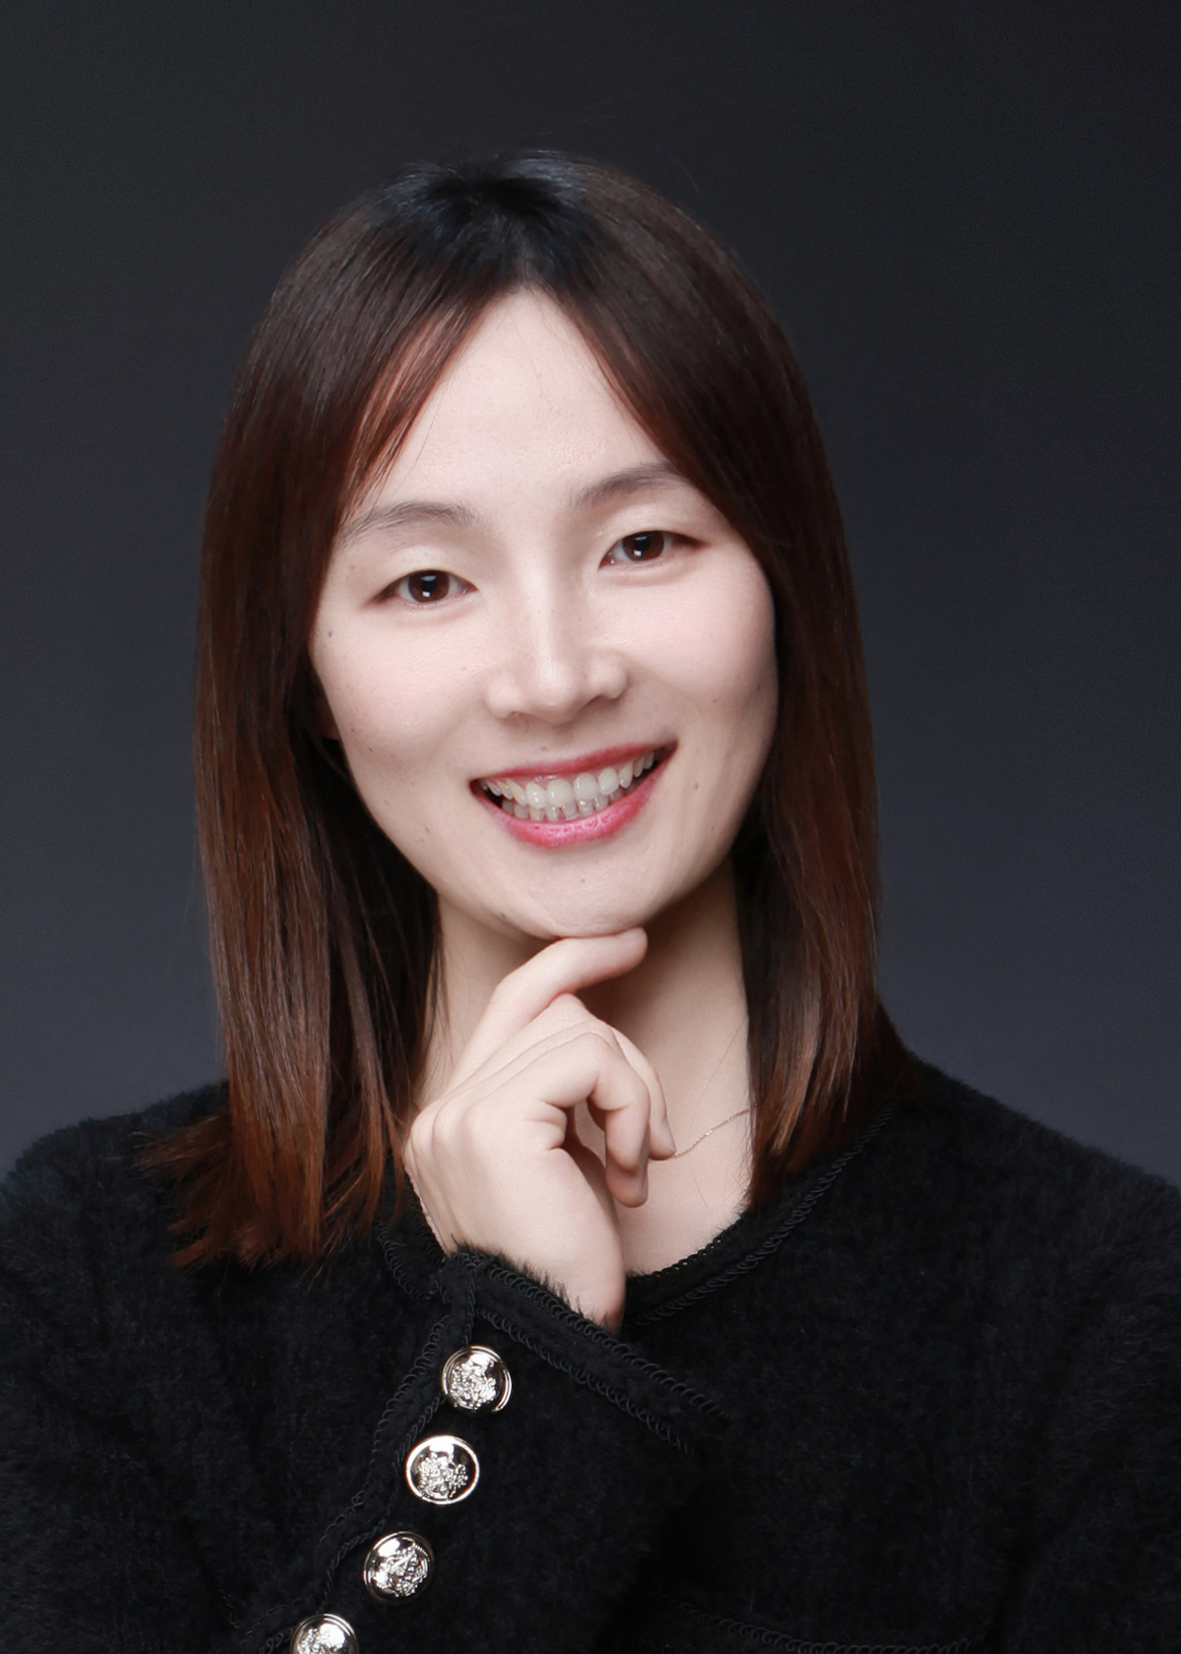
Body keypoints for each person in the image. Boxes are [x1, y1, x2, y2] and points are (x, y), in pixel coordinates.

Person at [1, 153, 1178, 1654]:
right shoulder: (94, 1276)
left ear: (783, 588)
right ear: (303, 679)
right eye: (428, 582)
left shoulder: (1107, 1312)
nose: (554, 679)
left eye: (643, 544)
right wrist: (519, 1354)